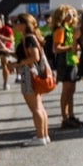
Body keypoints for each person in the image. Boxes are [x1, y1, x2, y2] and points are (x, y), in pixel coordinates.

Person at [12, 14, 53, 145]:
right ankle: (44, 135)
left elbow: (34, 57)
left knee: (35, 107)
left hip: (28, 73)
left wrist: (16, 64)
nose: (14, 24)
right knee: (39, 106)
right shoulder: (31, 37)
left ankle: (40, 136)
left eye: (17, 21)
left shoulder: (29, 38)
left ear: (24, 24)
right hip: (32, 73)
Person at [47, 4, 82, 131]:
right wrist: (71, 48)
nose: (72, 16)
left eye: (72, 13)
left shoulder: (69, 29)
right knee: (66, 90)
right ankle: (65, 117)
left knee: (71, 90)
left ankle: (71, 116)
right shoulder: (60, 30)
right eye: (69, 13)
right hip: (65, 62)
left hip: (71, 61)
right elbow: (56, 48)